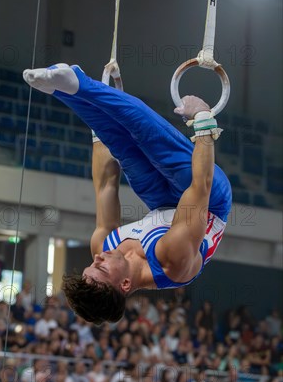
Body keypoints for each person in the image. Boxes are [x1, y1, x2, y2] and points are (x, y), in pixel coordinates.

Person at [23, 64, 232, 324]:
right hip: (209, 198)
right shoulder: (172, 261)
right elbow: (200, 186)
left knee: (122, 147)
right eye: (100, 267)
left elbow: (106, 186)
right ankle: (78, 82)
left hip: (159, 202)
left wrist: (100, 131)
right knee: (146, 135)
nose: (97, 257)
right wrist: (203, 120)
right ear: (124, 284)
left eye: (92, 264)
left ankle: (61, 90)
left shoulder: (104, 248)